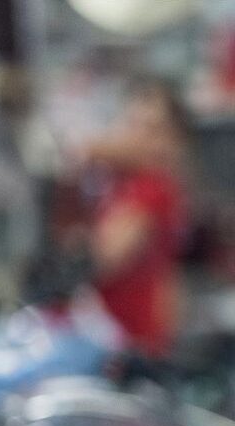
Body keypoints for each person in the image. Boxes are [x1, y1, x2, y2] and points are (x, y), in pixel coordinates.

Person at [81, 78, 190, 358]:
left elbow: (107, 257)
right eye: (133, 124)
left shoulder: (153, 187)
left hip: (129, 340)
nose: (137, 137)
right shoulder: (124, 182)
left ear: (172, 141)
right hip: (111, 331)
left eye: (152, 129)